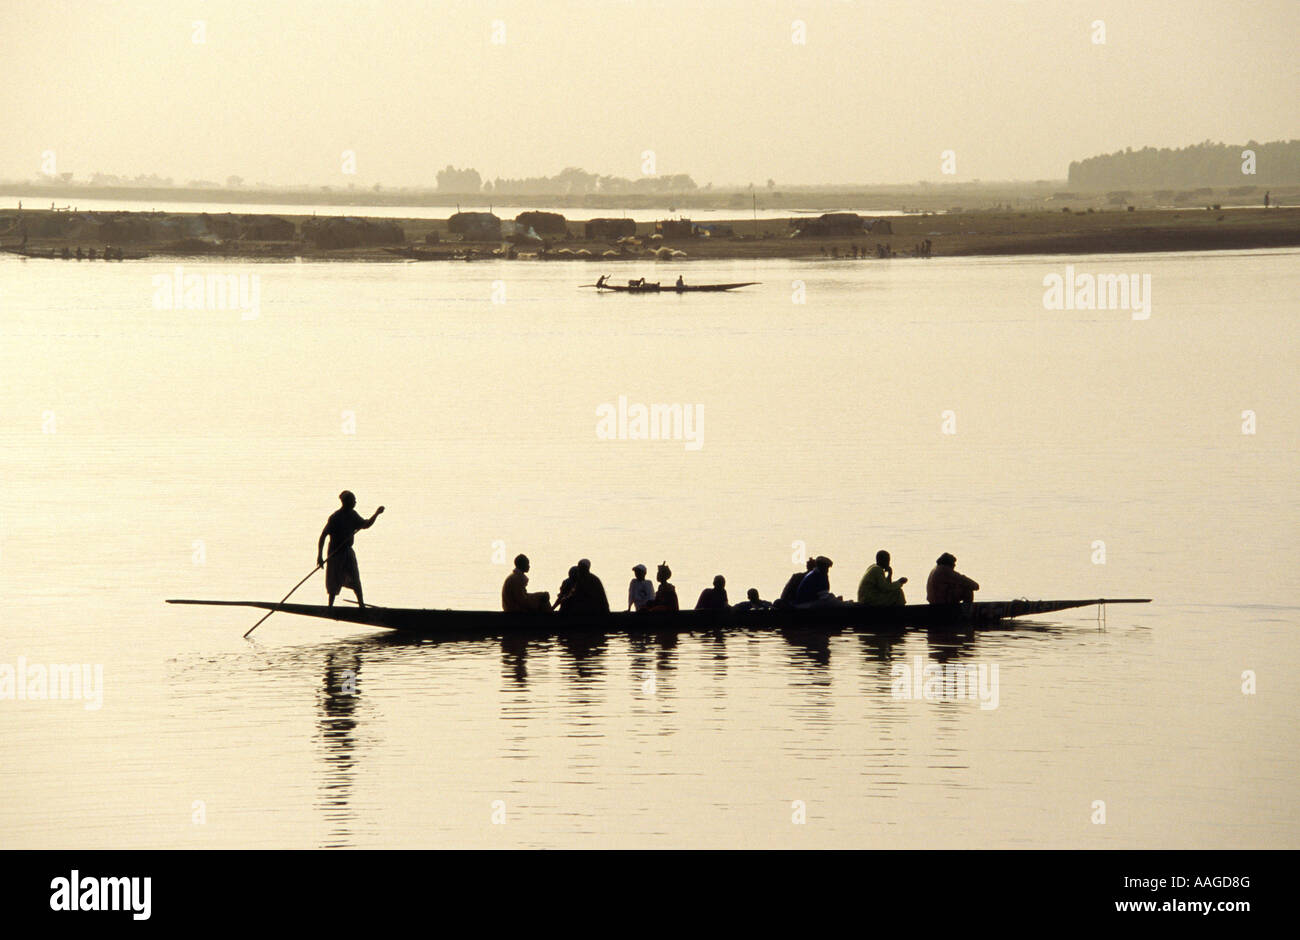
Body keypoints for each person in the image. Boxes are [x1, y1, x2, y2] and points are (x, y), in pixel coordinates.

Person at [317, 490, 384, 607]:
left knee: (355, 579)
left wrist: (376, 514)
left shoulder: (352, 515)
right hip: (335, 553)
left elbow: (366, 524)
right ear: (346, 502)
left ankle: (361, 605)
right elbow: (323, 535)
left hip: (347, 552)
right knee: (334, 579)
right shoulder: (335, 517)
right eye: (353, 500)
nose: (355, 502)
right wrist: (320, 556)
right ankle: (330, 607)